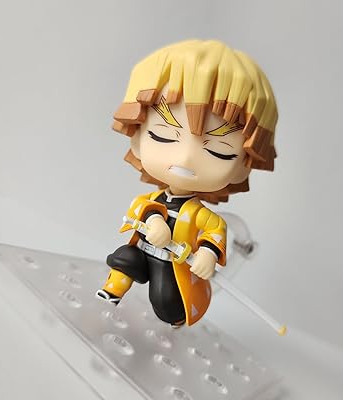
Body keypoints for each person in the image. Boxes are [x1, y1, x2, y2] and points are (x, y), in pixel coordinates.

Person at [96, 39, 278, 327]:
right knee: (124, 259)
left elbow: (215, 231)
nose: (185, 158)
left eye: (219, 151)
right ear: (137, 137)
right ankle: (112, 291)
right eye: (164, 136)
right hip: (143, 252)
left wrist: (207, 254)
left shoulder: (201, 215)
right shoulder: (153, 200)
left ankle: (175, 320)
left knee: (168, 304)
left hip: (173, 266)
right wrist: (154, 220)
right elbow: (140, 208)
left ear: (244, 166)